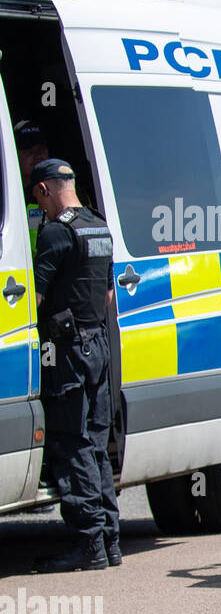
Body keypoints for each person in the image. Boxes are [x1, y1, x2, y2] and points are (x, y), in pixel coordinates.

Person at [29, 160, 122, 573]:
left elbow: (33, 295)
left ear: (45, 190)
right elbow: (105, 298)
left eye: (38, 198)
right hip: (98, 343)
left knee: (72, 441)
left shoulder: (55, 232)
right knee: (97, 443)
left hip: (68, 350)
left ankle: (88, 545)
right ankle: (110, 541)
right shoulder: (97, 226)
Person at [15, 119, 49, 254]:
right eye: (29, 150)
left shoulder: (64, 192)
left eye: (41, 149)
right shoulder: (8, 197)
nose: (37, 155)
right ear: (14, 154)